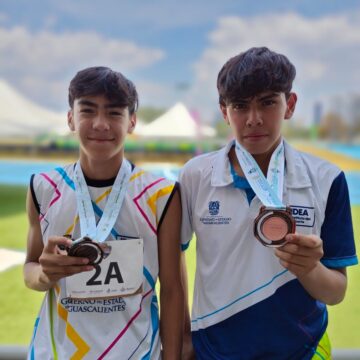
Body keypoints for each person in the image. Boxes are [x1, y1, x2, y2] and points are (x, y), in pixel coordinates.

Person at [179, 47, 358, 359]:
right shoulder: (196, 175)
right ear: (225, 111)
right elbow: (170, 266)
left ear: (289, 105)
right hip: (215, 352)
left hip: (304, 351)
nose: (254, 119)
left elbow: (336, 291)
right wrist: (181, 342)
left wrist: (309, 267)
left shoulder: (327, 178)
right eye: (240, 105)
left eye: (267, 102)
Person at [24, 66, 184, 359]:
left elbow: (172, 290)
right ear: (71, 118)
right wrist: (44, 274)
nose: (100, 124)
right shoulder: (43, 188)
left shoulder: (161, 195)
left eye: (113, 113)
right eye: (88, 111)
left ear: (132, 121)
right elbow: (30, 269)